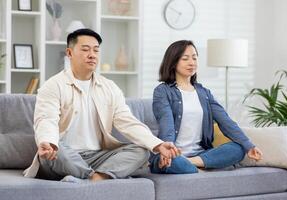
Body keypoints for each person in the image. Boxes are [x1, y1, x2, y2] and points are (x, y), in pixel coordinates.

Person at [23, 28, 180, 182]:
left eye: (96, 50)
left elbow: (127, 121)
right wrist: (48, 142)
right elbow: (46, 119)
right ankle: (97, 178)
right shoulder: (53, 85)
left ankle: (87, 178)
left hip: (98, 156)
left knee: (141, 151)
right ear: (69, 53)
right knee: (59, 150)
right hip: (64, 155)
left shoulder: (109, 87)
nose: (92, 55)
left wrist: (158, 145)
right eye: (85, 50)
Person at [149, 40, 262, 174]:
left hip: (200, 154)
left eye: (194, 58)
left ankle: (191, 165)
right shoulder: (162, 91)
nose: (192, 63)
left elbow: (226, 122)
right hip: (170, 155)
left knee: (238, 149)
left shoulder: (204, 93)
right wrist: (168, 152)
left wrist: (249, 146)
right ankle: (199, 167)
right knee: (173, 162)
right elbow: (166, 124)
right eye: (185, 59)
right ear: (173, 62)